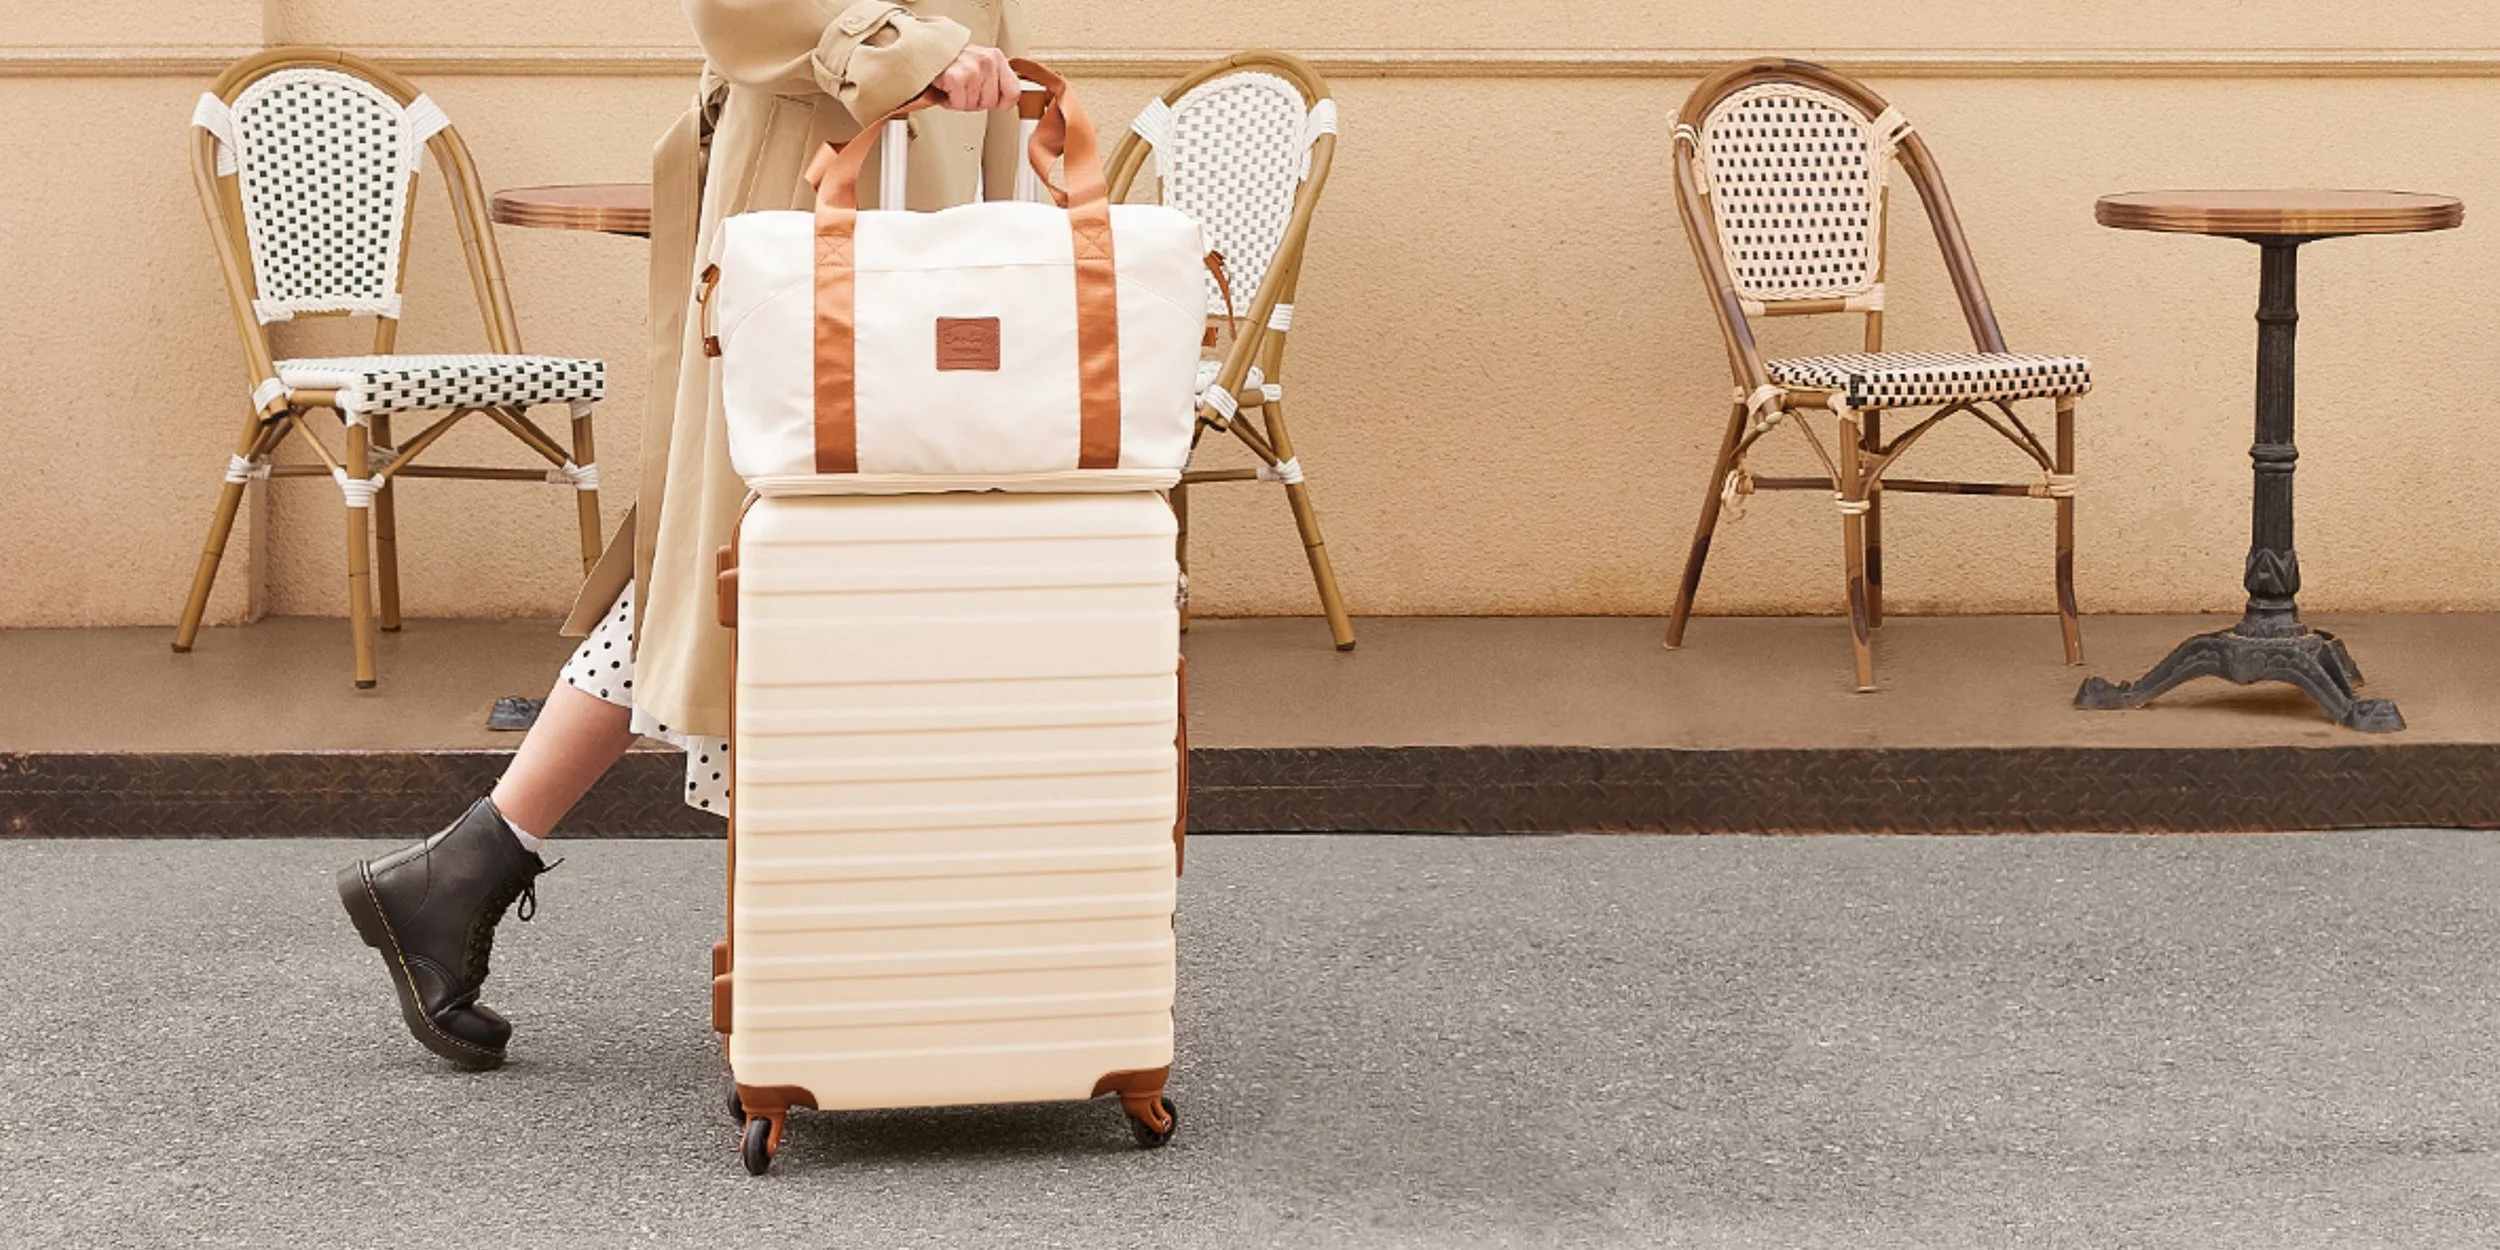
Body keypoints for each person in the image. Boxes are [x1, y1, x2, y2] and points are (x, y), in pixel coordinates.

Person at [334, 0, 1032, 1071]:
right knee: (768, 568)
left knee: (759, 570)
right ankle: (809, 972)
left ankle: (470, 868)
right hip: (817, 224)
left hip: (916, 240)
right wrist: (922, 55)